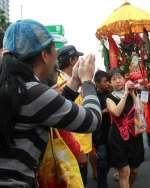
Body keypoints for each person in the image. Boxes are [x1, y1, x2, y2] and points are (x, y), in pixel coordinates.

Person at [0, 19, 101, 187]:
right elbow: (93, 121)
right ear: (45, 56)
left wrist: (75, 81)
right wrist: (87, 82)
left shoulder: (14, 87)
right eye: (55, 49)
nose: (57, 57)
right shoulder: (32, 92)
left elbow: (48, 110)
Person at [57, 45, 94, 185]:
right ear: (73, 60)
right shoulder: (59, 83)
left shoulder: (75, 81)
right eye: (78, 58)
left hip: (82, 141)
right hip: (73, 145)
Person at [106, 69, 144, 188]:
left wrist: (133, 95)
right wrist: (126, 94)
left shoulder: (133, 93)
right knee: (124, 171)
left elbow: (140, 110)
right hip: (118, 136)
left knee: (133, 170)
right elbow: (117, 112)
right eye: (114, 79)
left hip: (134, 134)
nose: (117, 81)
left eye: (119, 78)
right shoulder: (109, 97)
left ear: (124, 79)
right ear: (110, 83)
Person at [93, 70, 112, 188]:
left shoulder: (109, 92)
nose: (107, 83)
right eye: (105, 81)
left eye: (108, 81)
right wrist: (105, 111)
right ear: (97, 83)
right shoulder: (92, 96)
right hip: (99, 135)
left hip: (110, 132)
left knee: (109, 160)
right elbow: (91, 113)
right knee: (102, 162)